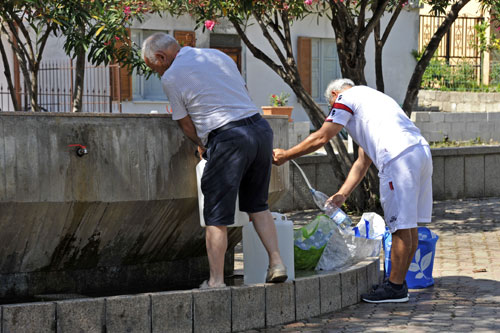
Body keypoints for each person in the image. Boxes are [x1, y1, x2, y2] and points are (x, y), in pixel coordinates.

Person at [142, 33, 287, 288]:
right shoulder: (217, 55)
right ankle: (276, 262)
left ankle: (216, 282)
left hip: (229, 137)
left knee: (216, 215)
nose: (157, 73)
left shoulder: (171, 77)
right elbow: (243, 93)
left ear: (161, 57)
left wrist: (203, 145)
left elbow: (186, 125)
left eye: (154, 67)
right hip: (260, 130)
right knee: (258, 205)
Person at [273, 78, 432, 303]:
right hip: (420, 152)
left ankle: (395, 288)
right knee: (409, 225)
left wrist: (286, 155)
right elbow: (362, 161)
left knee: (399, 226)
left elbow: (322, 136)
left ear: (335, 95)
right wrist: (342, 195)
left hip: (398, 157)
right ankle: (398, 282)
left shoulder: (346, 98)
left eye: (331, 107)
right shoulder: (373, 100)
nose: (334, 112)